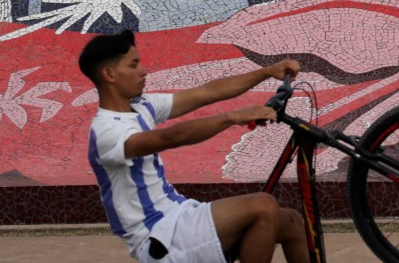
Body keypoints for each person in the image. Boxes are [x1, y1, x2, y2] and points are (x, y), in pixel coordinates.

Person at [80, 30, 306, 263]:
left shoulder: (142, 106)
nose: (143, 70)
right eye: (133, 65)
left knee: (291, 222)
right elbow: (168, 138)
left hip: (180, 216)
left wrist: (267, 72)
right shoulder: (106, 132)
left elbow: (207, 93)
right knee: (263, 205)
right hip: (159, 236)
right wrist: (233, 117)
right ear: (109, 74)